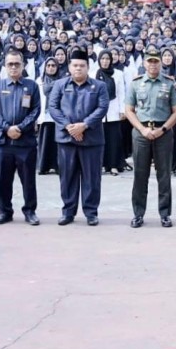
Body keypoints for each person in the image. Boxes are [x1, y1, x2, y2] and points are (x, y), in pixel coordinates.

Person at [49, 50, 109, 226]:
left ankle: (91, 212)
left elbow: (102, 108)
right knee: (67, 177)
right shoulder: (60, 85)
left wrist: (84, 125)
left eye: (82, 66)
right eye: (75, 65)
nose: (78, 69)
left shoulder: (99, 86)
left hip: (91, 139)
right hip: (66, 139)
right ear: (69, 67)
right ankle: (68, 212)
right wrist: (69, 127)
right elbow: (53, 107)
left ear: (88, 67)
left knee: (92, 177)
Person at [124, 46, 176, 228]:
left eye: (156, 61)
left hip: (162, 132)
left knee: (164, 175)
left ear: (161, 63)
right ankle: (138, 214)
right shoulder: (136, 83)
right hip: (141, 132)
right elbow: (129, 110)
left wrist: (162, 129)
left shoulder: (170, 84)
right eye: (150, 61)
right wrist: (142, 129)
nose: (153, 64)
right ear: (144, 63)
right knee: (140, 175)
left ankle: (165, 214)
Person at [0, 49, 41, 226]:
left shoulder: (32, 86)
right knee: (4, 180)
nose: (13, 67)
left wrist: (20, 127)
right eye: (10, 64)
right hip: (3, 142)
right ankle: (4, 211)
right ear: (5, 66)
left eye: (17, 64)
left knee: (28, 180)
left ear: (23, 65)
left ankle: (30, 211)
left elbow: (35, 111)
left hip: (25, 142)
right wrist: (6, 128)